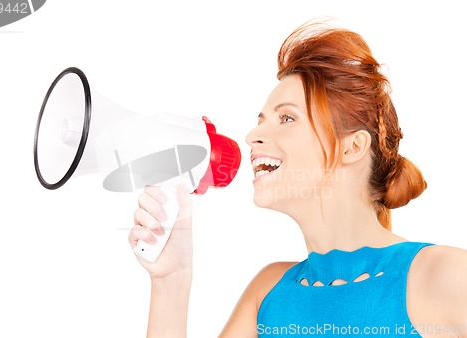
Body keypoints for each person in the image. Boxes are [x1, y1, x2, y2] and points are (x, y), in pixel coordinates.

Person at [128, 21, 467, 337]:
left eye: (286, 118)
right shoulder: (268, 294)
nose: (252, 135)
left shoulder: (443, 276)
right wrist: (171, 281)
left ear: (353, 146)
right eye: (260, 120)